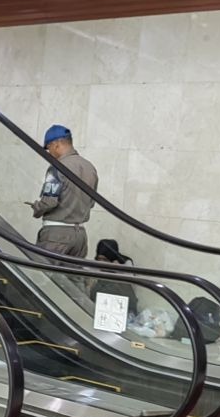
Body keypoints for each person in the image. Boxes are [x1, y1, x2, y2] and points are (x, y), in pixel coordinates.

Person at [27, 124, 98, 258]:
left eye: (49, 148)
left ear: (56, 145)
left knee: (44, 271)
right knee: (72, 273)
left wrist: (37, 207)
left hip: (56, 236)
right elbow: (91, 203)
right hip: (80, 237)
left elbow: (49, 202)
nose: (49, 153)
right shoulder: (90, 168)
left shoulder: (56, 168)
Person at [89, 238, 139, 317]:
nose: (101, 263)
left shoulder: (124, 268)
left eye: (105, 260)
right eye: (99, 259)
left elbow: (128, 290)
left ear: (112, 259)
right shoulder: (98, 266)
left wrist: (115, 270)